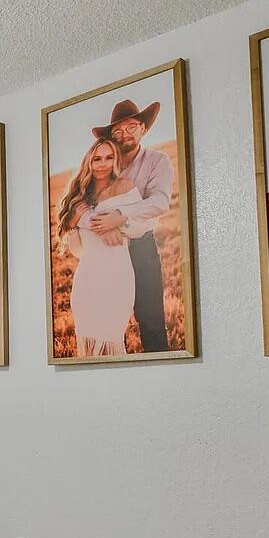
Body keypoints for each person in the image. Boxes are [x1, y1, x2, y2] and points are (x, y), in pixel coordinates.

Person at [84, 98, 172, 352]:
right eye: (118, 131)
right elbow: (81, 200)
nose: (125, 134)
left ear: (143, 128)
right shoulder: (103, 161)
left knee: (151, 318)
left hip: (141, 247)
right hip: (105, 249)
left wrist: (119, 216)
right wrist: (102, 224)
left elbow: (159, 202)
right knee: (106, 321)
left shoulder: (157, 161)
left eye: (131, 127)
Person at [56, 139, 147, 357]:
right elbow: (77, 250)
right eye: (97, 158)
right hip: (87, 278)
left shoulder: (125, 187)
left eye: (109, 157)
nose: (103, 164)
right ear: (88, 161)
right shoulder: (79, 197)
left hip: (117, 275)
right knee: (87, 346)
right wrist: (75, 220)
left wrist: (117, 223)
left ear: (116, 159)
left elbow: (145, 224)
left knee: (112, 338)